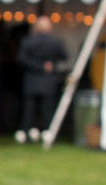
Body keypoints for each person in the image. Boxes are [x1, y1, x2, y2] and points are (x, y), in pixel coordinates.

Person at [16, 15, 69, 143]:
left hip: (32, 80)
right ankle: (47, 133)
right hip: (47, 80)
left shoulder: (28, 41)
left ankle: (25, 133)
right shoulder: (55, 42)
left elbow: (22, 59)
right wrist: (47, 65)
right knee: (47, 110)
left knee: (29, 110)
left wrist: (38, 66)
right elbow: (64, 56)